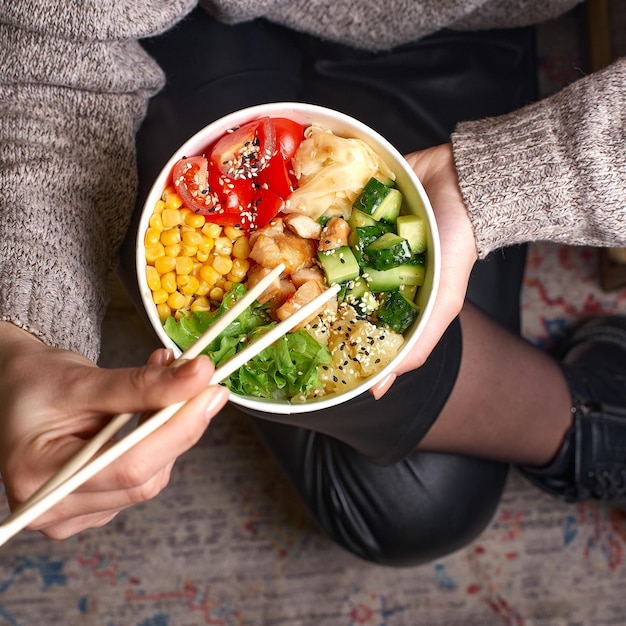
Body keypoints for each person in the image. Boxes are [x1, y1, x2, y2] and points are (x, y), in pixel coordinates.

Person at [0, 0, 624, 564]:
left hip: (473, 28)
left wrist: (504, 177)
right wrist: (25, 339)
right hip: (202, 29)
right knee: (415, 517)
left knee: (419, 509)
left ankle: (586, 415)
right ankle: (589, 415)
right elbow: (53, 50)